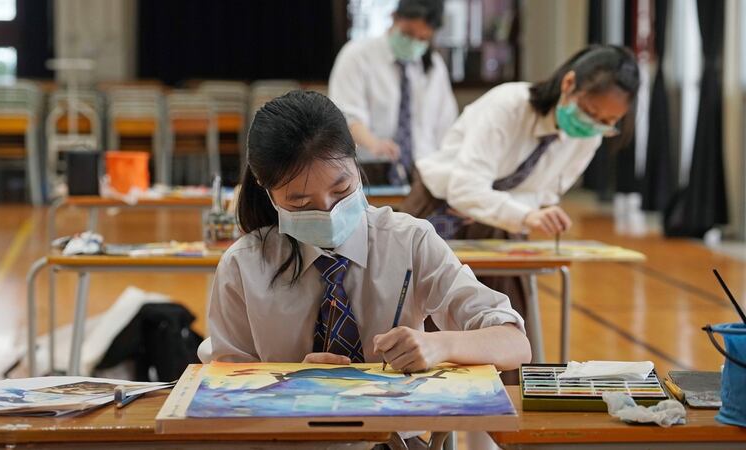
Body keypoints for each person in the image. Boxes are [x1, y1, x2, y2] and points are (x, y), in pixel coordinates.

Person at [197, 91, 530, 378]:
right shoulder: (244, 265)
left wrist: (438, 344)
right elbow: (227, 381)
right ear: (265, 189)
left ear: (356, 160)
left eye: (341, 189)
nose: (328, 211)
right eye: (300, 203)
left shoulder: (408, 240)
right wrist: (293, 378)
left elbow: (514, 343)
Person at [401, 45, 640, 319]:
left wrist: (525, 212)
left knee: (503, 324)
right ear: (569, 83)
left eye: (607, 121)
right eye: (589, 110)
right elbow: (464, 189)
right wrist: (524, 213)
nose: (592, 125)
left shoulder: (589, 137)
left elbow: (545, 195)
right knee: (422, 316)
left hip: (502, 225)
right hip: (436, 209)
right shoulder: (508, 105)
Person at [328, 0, 457, 186]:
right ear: (394, 17)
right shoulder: (357, 56)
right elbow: (346, 117)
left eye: (422, 39)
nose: (414, 42)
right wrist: (374, 144)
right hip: (372, 170)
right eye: (408, 34)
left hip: (424, 173)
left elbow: (446, 125)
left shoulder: (434, 66)